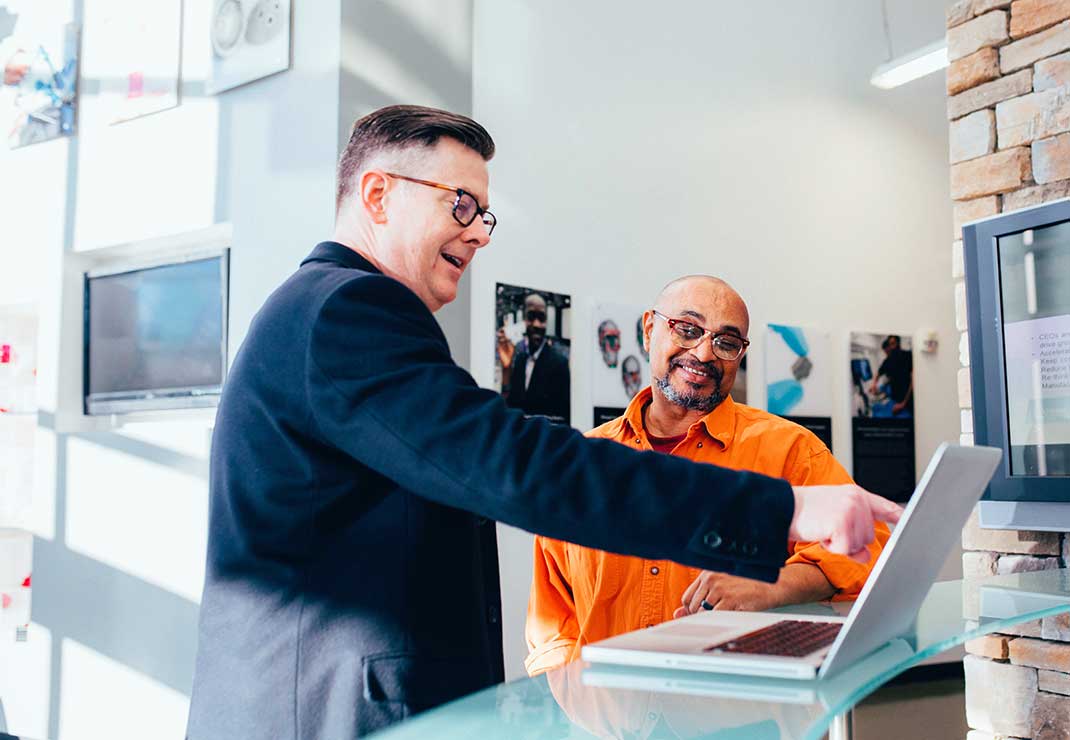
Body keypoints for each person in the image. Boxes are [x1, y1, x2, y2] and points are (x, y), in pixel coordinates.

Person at [186, 105, 900, 739]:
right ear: (378, 194)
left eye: (482, 214)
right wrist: (786, 509)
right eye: (461, 205)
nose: (479, 233)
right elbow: (515, 465)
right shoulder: (347, 312)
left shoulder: (328, 313)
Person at [525, 276, 891, 675]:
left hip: (740, 719)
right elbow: (553, 624)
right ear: (650, 330)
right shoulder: (585, 463)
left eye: (726, 342)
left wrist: (773, 584)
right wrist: (573, 710)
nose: (703, 353)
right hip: (608, 722)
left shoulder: (790, 450)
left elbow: (870, 548)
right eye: (687, 329)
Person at [497, 292, 571, 423]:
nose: (536, 324)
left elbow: (563, 418)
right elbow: (509, 408)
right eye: (531, 317)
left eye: (541, 318)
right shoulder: (520, 360)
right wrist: (506, 369)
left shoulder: (559, 363)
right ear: (524, 320)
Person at [871, 334, 913, 417]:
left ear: (898, 343)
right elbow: (878, 373)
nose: (892, 347)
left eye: (893, 343)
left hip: (907, 401)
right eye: (890, 344)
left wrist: (903, 403)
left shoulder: (908, 355)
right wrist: (874, 384)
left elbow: (913, 381)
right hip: (895, 400)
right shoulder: (888, 361)